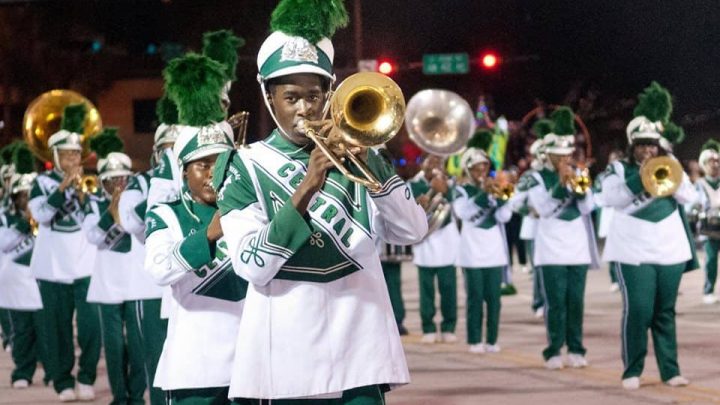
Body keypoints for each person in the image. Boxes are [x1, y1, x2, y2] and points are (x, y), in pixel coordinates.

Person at [213, 0, 427, 402]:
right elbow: (251, 266)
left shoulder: (362, 157)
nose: (304, 108)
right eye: (291, 97)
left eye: (314, 96)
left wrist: (372, 166)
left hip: (361, 345)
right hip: (287, 354)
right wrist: (307, 186)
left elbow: (413, 230)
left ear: (330, 93)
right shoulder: (244, 166)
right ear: (269, 97)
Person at [145, 52, 247, 404]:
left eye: (221, 163)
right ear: (184, 171)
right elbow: (159, 268)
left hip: (252, 365)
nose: (213, 174)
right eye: (202, 165)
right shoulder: (165, 214)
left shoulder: (252, 210)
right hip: (195, 367)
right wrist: (209, 233)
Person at [600, 82, 697, 390]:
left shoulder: (671, 165)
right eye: (641, 144)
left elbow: (689, 198)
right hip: (632, 250)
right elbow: (610, 199)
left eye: (652, 144)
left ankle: (670, 371)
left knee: (665, 313)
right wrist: (640, 177)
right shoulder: (617, 169)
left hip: (669, 248)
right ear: (632, 145)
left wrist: (670, 169)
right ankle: (632, 369)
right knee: (639, 309)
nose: (647, 149)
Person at [28, 103, 100, 402]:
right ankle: (62, 381)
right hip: (53, 266)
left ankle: (86, 375)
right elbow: (41, 215)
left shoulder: (89, 183)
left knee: (91, 325)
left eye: (75, 154)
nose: (72, 159)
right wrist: (62, 189)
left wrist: (83, 195)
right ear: (55, 156)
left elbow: (94, 219)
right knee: (56, 329)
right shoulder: (41, 183)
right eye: (67, 154)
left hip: (85, 264)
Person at [83, 129, 156, 405]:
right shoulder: (93, 203)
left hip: (136, 279)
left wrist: (123, 214)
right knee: (113, 345)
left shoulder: (137, 199)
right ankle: (119, 396)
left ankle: (137, 396)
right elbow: (92, 237)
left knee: (137, 344)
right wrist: (111, 215)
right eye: (112, 180)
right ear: (102, 182)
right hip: (107, 282)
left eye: (122, 179)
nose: (118, 185)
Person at [525, 107, 598, 370]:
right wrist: (559, 184)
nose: (565, 160)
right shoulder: (535, 178)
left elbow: (589, 207)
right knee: (556, 305)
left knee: (576, 303)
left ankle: (577, 348)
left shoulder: (578, 174)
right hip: (550, 250)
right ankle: (553, 350)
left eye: (567, 155)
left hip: (577, 248)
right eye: (559, 156)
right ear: (549, 156)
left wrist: (579, 189)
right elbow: (543, 209)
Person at [453, 130, 512, 354]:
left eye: (484, 167)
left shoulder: (493, 188)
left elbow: (504, 217)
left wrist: (499, 200)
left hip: (494, 251)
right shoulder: (461, 190)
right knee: (475, 298)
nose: (481, 172)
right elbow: (464, 213)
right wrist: (482, 195)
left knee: (494, 300)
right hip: (471, 252)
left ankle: (492, 340)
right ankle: (474, 339)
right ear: (469, 169)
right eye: (477, 168)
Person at [0, 142, 46, 389]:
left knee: (47, 331)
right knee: (22, 331)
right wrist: (23, 224)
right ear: (16, 198)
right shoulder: (5, 217)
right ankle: (22, 372)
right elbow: (3, 244)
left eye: (30, 195)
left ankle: (53, 371)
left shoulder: (46, 215)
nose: (27, 200)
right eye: (23, 196)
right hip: (16, 282)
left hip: (40, 280)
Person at [410, 154, 460, 344]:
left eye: (438, 162)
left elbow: (457, 204)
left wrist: (446, 190)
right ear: (423, 164)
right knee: (427, 290)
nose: (434, 165)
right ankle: (428, 327)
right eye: (430, 161)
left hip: (446, 241)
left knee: (448, 288)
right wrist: (431, 190)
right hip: (425, 244)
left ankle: (449, 326)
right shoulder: (413, 184)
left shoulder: (450, 182)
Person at [510, 120, 553, 319]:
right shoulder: (529, 176)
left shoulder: (556, 174)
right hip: (536, 227)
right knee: (538, 267)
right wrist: (530, 210)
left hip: (554, 227)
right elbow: (515, 202)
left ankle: (552, 301)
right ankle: (539, 302)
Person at [694, 139, 720, 304]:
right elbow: (693, 206)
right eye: (711, 162)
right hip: (709, 228)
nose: (715, 164)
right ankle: (708, 290)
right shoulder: (699, 184)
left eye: (717, 161)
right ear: (704, 164)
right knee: (711, 260)